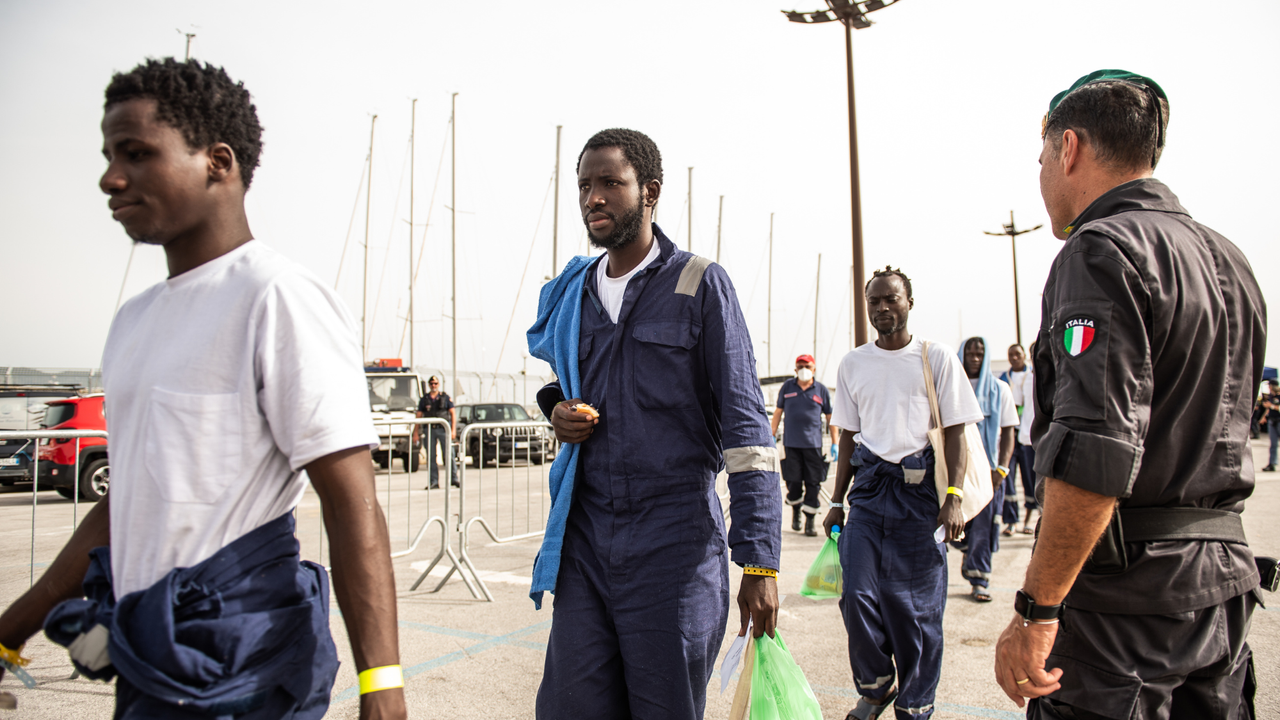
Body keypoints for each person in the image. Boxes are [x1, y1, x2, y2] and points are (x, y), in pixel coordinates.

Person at [0, 59, 406, 719]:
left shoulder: (277, 297)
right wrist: (10, 632)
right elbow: (127, 503)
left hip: (242, 666)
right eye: (108, 155)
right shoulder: (134, 321)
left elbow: (351, 501)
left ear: (218, 162)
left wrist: (381, 687)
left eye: (136, 153)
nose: (110, 176)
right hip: (151, 659)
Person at [994, 69, 1267, 719]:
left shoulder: (1100, 250)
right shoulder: (1230, 261)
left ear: (1069, 149)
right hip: (1219, 598)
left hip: (1126, 614)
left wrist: (1037, 609)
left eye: (1041, 159)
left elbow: (1096, 450)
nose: (1041, 179)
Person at [527, 128, 781, 719]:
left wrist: (760, 560)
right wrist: (556, 411)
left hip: (675, 546)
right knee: (571, 708)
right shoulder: (573, 293)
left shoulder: (698, 283)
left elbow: (747, 429)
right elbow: (561, 381)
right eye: (585, 185)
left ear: (650, 192)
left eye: (611, 183)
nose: (594, 197)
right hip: (587, 542)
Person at [824, 267, 982, 720]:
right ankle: (875, 687)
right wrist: (837, 501)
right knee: (856, 594)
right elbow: (849, 438)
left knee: (916, 610)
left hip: (921, 498)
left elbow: (955, 433)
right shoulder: (854, 364)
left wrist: (953, 497)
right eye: (874, 301)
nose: (881, 308)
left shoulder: (937, 358)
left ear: (909, 302)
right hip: (870, 492)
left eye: (891, 299)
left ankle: (915, 704)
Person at [954, 337, 1017, 602]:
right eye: (970, 353)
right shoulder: (951, 387)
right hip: (955, 469)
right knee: (953, 528)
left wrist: (1001, 469)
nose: (975, 358)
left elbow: (1008, 430)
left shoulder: (1000, 389)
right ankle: (966, 550)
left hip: (987, 471)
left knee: (983, 528)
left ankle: (980, 579)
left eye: (980, 354)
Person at [771, 353, 838, 536]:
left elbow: (830, 418)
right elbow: (777, 412)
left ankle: (810, 522)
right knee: (793, 482)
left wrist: (835, 442)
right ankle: (795, 513)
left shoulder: (821, 390)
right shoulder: (787, 387)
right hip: (792, 444)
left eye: (807, 366)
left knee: (813, 483)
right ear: (795, 369)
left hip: (813, 445)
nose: (804, 370)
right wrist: (771, 434)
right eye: (800, 366)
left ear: (814, 369)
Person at [1000, 344, 1037, 534]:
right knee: (1008, 478)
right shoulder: (1004, 379)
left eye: (1018, 354)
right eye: (1011, 354)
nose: (1015, 358)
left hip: (1029, 437)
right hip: (1012, 436)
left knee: (1030, 479)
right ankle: (1011, 521)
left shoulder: (1032, 376)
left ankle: (1029, 519)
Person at [414, 375, 458, 488]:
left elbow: (453, 413)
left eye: (435, 383)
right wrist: (415, 433)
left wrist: (453, 430)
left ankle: (454, 478)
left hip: (443, 430)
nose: (433, 385)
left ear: (438, 384)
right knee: (431, 457)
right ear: (429, 385)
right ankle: (433, 481)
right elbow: (418, 416)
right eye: (432, 383)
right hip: (429, 430)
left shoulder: (445, 397)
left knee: (449, 455)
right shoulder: (424, 399)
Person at [1262, 379, 1280, 472]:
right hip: (1272, 421)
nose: (1268, 387)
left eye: (1269, 385)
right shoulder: (1271, 396)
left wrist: (1271, 406)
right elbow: (1269, 408)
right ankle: (1272, 463)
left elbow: (1274, 407)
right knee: (1273, 444)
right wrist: (1264, 416)